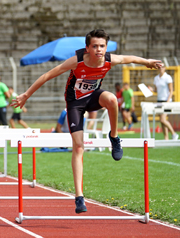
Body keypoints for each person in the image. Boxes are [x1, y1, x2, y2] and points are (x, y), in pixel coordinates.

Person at [11, 29, 163, 214]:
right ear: (87, 48)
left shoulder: (109, 59)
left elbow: (128, 58)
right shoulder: (77, 60)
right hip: (75, 103)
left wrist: (147, 62)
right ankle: (79, 197)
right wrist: (26, 95)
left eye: (102, 46)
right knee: (78, 146)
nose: (99, 50)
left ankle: (114, 137)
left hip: (93, 97)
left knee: (112, 100)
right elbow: (48, 75)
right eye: (95, 46)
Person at [153, 66, 178, 140]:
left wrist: (168, 101)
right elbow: (156, 90)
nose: (161, 68)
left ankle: (174, 133)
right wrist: (150, 89)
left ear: (165, 68)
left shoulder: (168, 77)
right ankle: (166, 138)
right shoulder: (156, 78)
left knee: (163, 119)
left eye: (162, 67)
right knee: (161, 120)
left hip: (166, 101)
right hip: (159, 100)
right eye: (159, 67)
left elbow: (171, 90)